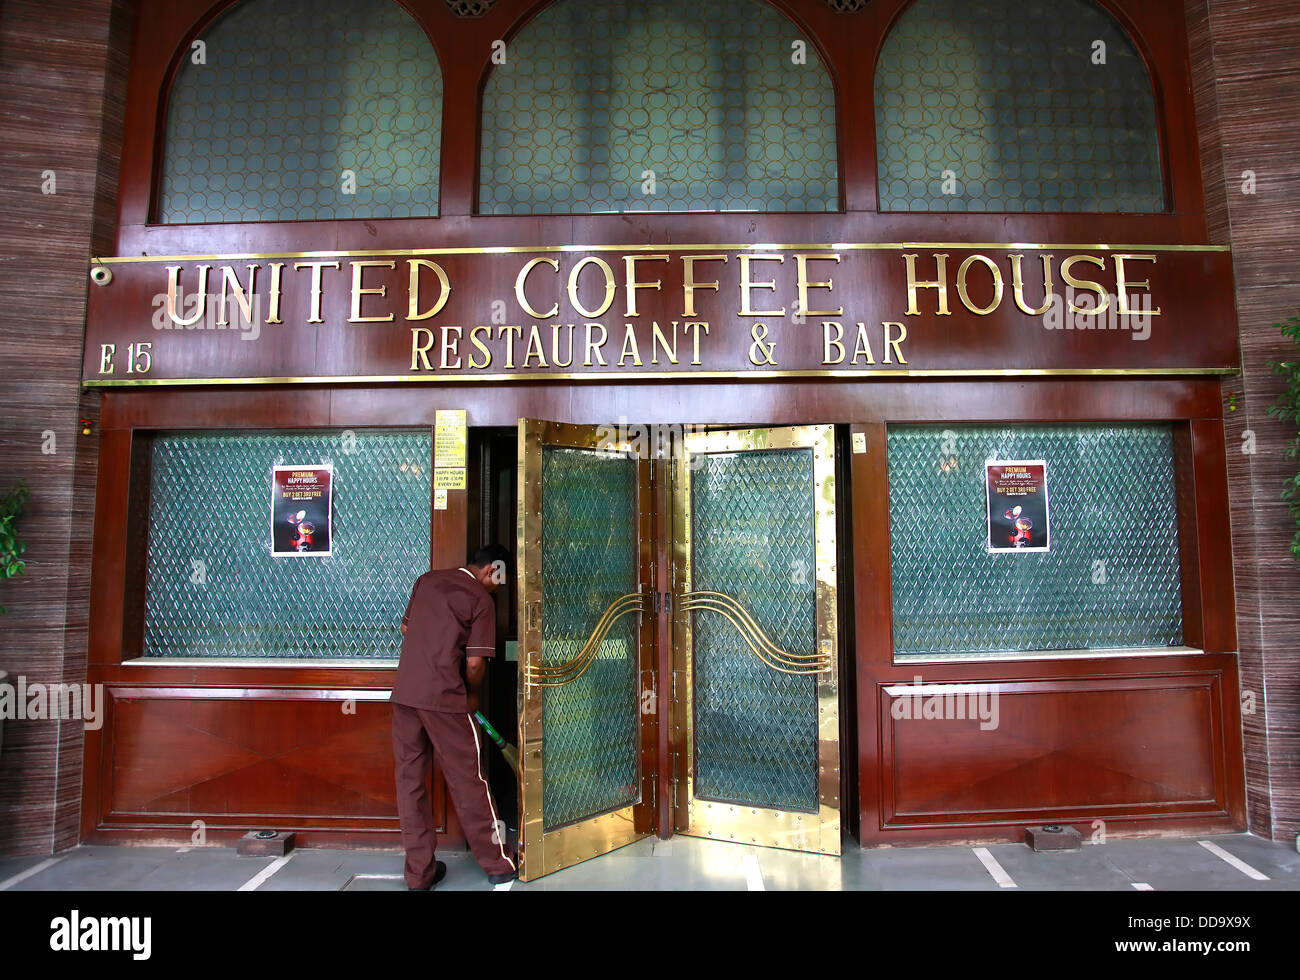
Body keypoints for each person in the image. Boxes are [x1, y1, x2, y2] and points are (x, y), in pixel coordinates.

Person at [391, 543, 517, 889]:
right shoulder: (480, 600)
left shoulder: (426, 581)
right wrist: (471, 695)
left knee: (410, 782)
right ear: (493, 570)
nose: (498, 587)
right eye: (500, 579)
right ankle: (497, 862)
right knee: (468, 780)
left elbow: (406, 630)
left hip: (405, 695)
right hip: (446, 698)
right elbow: (475, 663)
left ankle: (419, 874)